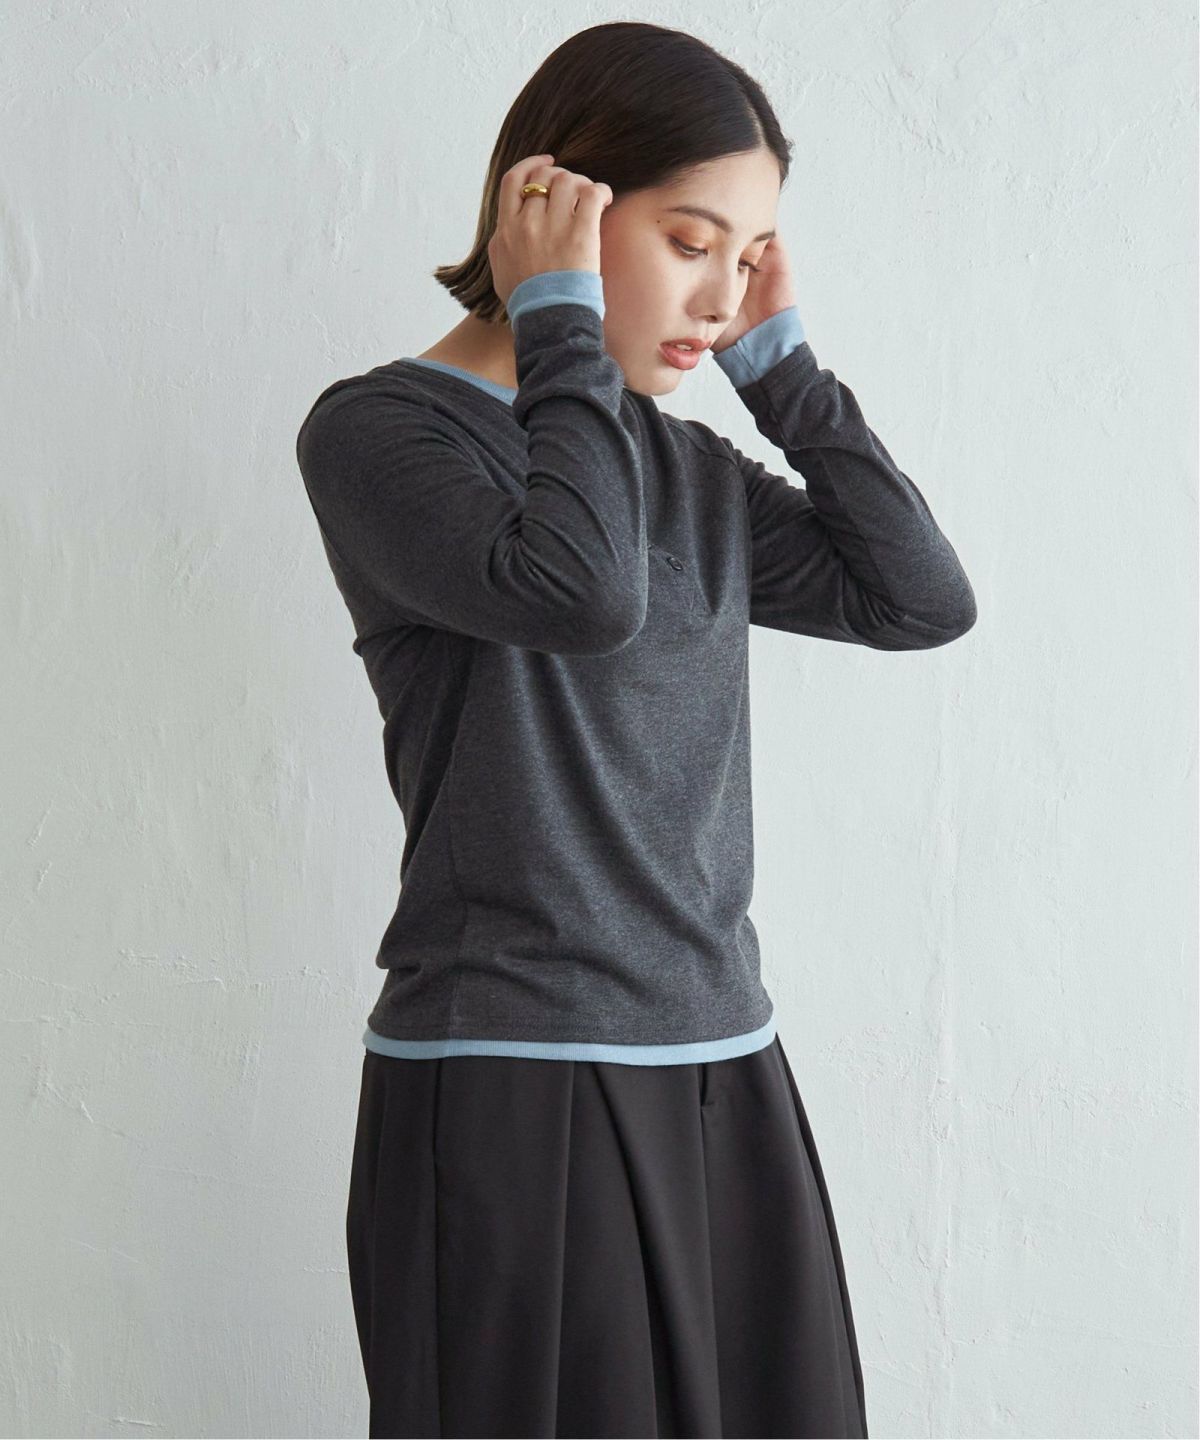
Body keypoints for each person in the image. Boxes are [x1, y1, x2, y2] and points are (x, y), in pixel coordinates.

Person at [295, 20, 977, 1439]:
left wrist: (785, 375)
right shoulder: (379, 436)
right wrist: (558, 322)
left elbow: (918, 600)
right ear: (554, 203)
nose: (720, 296)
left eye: (752, 257)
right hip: (512, 1078)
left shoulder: (688, 468)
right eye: (690, 241)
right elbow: (581, 592)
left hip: (726, 1059)